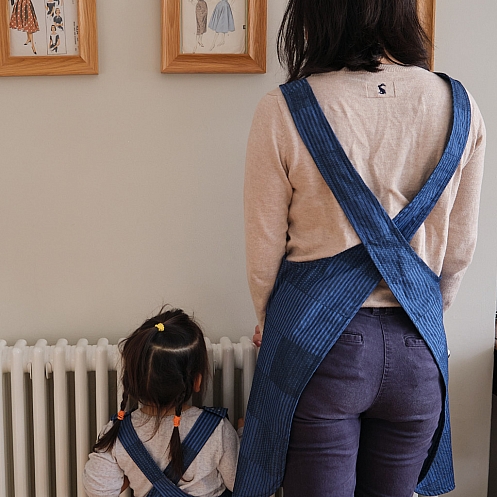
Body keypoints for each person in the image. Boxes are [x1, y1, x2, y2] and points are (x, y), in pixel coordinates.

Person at [234, 1, 486, 497]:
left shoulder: (283, 109)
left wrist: (272, 320)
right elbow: (458, 251)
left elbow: (263, 253)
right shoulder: (461, 107)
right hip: (418, 350)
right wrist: (421, 309)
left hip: (319, 350)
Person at [83, 307, 240, 497]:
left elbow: (98, 492)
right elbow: (240, 483)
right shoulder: (217, 429)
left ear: (132, 381)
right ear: (197, 381)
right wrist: (241, 435)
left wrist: (130, 473)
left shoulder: (117, 433)